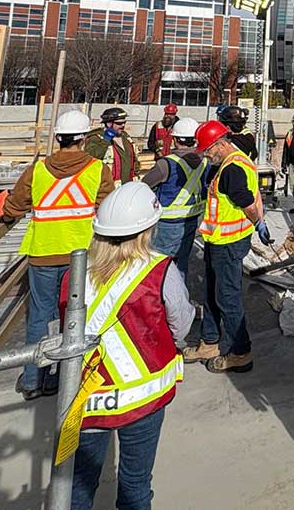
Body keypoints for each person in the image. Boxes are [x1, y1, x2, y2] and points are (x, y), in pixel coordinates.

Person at [64, 180, 191, 510]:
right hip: (144, 396)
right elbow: (181, 320)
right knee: (136, 483)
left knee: (77, 485)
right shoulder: (159, 270)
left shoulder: (75, 274)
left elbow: (64, 325)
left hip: (88, 395)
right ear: (148, 229)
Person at [1, 110, 114, 400]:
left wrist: (7, 214)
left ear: (58, 139)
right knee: (75, 317)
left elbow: (14, 206)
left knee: (40, 317)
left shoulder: (37, 170)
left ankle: (32, 379)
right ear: (84, 139)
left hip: (43, 252)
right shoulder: (97, 169)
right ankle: (66, 377)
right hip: (81, 255)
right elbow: (107, 207)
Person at [182, 120, 273, 373]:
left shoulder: (232, 169)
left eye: (208, 150)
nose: (206, 155)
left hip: (229, 243)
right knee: (211, 291)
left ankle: (240, 352)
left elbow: (247, 201)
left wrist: (258, 223)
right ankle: (209, 341)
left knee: (228, 297)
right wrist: (259, 223)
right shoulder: (234, 161)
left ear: (220, 144)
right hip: (217, 240)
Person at [140, 117, 207, 275]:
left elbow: (144, 185)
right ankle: (179, 296)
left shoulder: (167, 164)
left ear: (175, 140)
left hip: (167, 224)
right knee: (180, 265)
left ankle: (161, 298)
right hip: (192, 219)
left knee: (159, 267)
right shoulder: (205, 161)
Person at [85, 106, 139, 184]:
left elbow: (134, 161)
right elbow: (91, 157)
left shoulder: (126, 137)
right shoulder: (96, 138)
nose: (123, 125)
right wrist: (105, 141)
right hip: (107, 187)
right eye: (119, 123)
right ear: (109, 124)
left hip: (127, 186)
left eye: (124, 123)